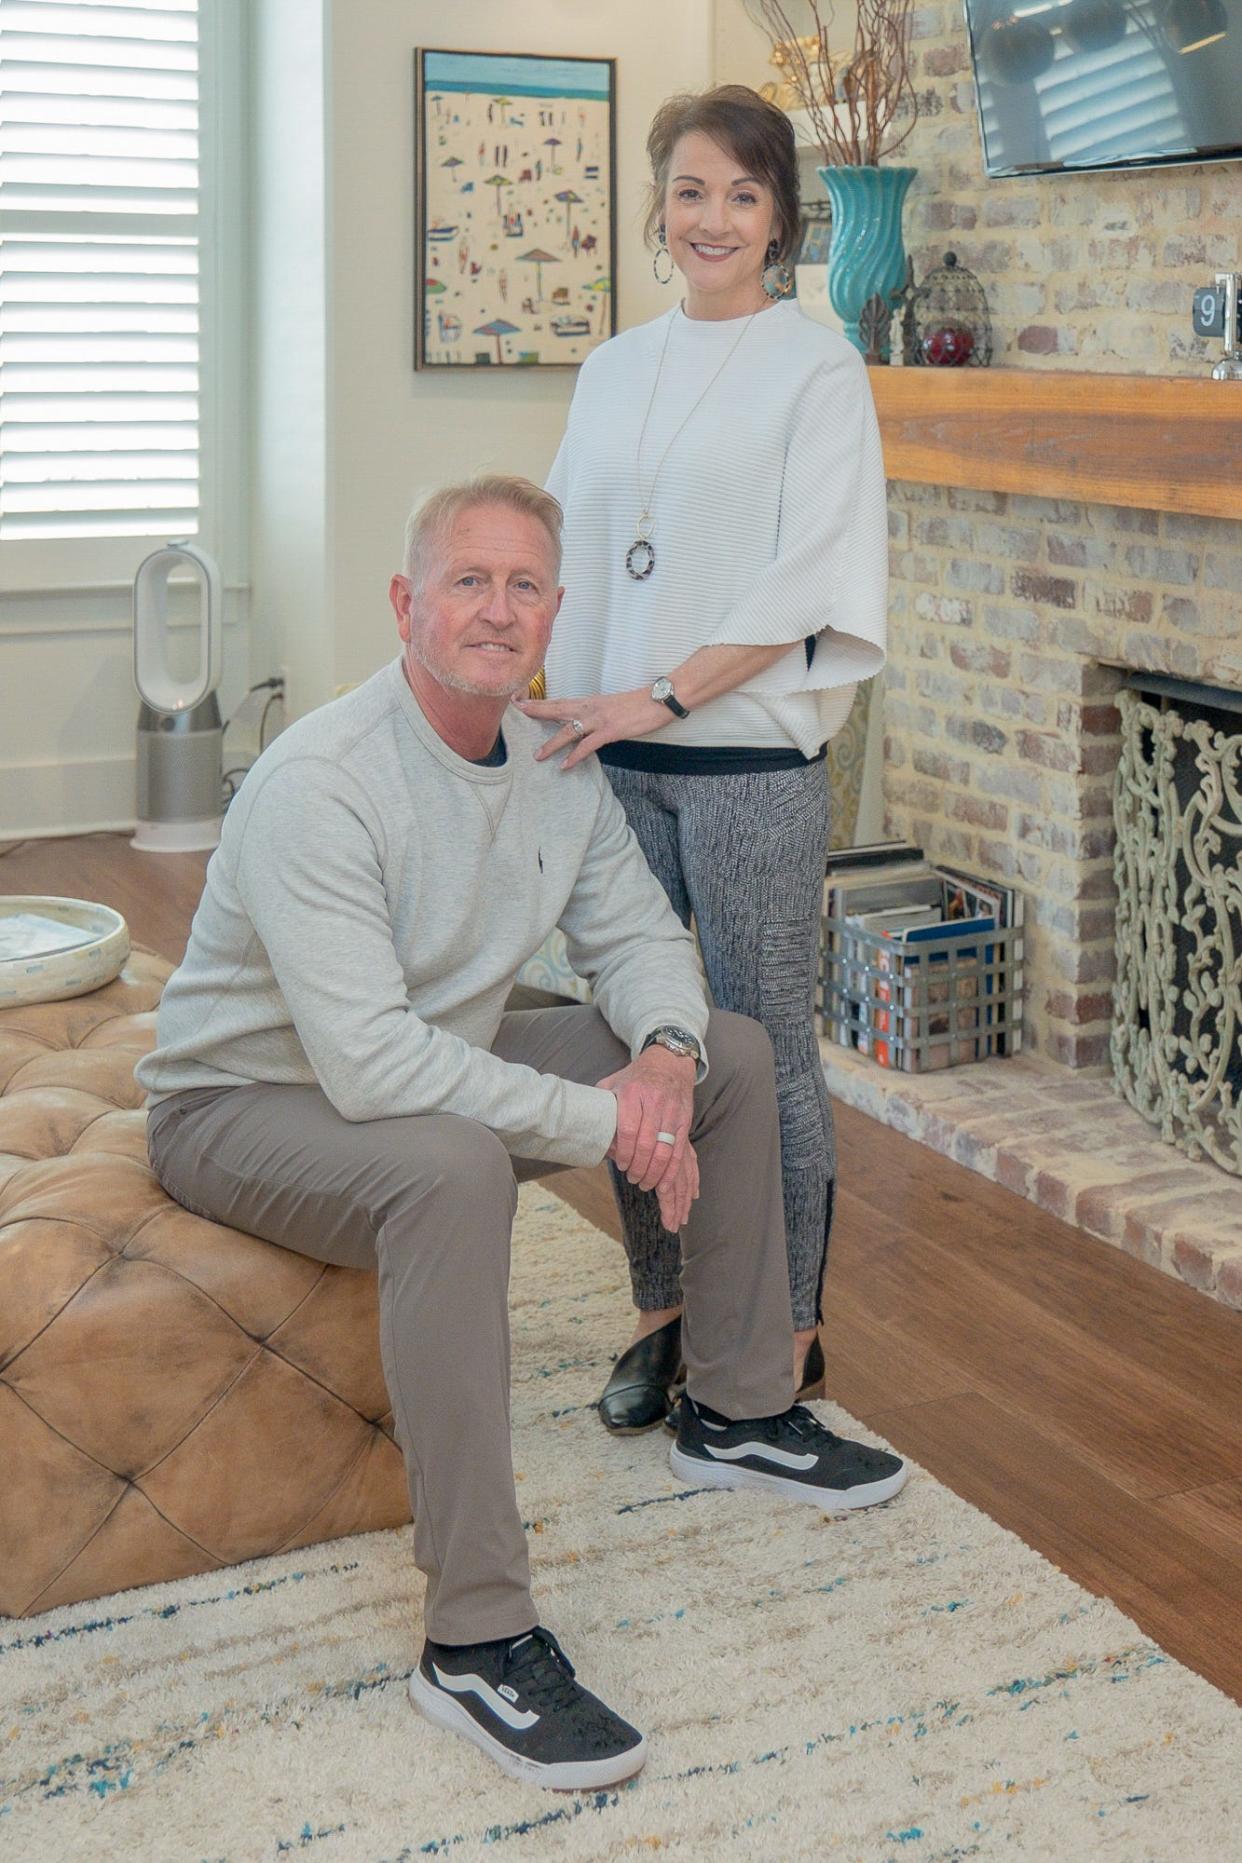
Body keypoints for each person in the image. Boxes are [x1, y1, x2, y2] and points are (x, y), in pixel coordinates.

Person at [137, 477, 906, 1793]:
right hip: (245, 1102)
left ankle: (738, 1412)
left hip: (422, 1056)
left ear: (554, 610)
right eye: (468, 581)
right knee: (447, 1172)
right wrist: (604, 1121)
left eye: (524, 586)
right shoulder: (321, 780)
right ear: (407, 604)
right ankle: (474, 1634)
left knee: (725, 1049)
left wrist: (660, 1060)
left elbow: (635, 940)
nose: (496, 611)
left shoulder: (553, 763)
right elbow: (371, 1065)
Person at [517, 86, 889, 1435]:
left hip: (745, 767)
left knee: (759, 1050)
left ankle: (788, 1330)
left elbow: (809, 581)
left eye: (740, 193)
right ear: (657, 209)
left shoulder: (816, 370)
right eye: (688, 190)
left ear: (781, 218)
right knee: (637, 1044)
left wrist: (661, 693)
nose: (712, 217)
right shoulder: (615, 365)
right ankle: (662, 1319)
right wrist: (537, 694)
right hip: (606, 761)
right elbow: (561, 544)